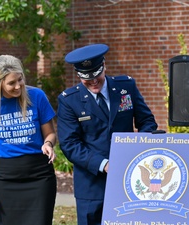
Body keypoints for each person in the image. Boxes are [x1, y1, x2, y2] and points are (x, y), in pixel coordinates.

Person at [57, 43, 158, 225]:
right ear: (79, 75)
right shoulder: (69, 101)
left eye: (97, 74)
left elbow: (147, 122)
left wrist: (139, 149)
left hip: (129, 178)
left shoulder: (125, 87)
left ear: (104, 66)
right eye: (87, 78)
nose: (94, 81)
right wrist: (104, 165)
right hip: (91, 184)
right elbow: (69, 143)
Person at [0, 55, 57, 225]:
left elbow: (51, 134)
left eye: (20, 79)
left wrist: (48, 144)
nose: (18, 86)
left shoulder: (37, 96)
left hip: (39, 175)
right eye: (12, 83)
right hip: (5, 178)